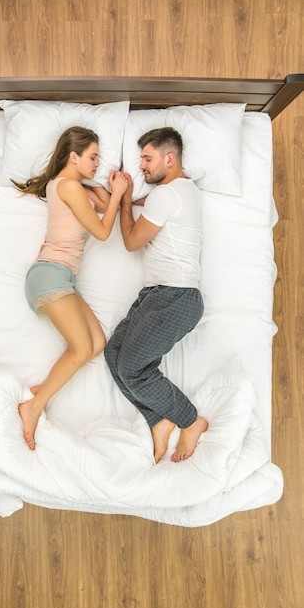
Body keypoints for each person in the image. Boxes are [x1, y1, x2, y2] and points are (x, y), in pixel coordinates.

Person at [13, 126, 128, 451]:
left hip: (60, 279)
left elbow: (105, 207)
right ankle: (33, 407)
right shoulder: (70, 188)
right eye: (93, 157)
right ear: (73, 156)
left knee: (96, 343)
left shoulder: (66, 185)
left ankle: (43, 389)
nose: (97, 164)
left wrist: (102, 186)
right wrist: (118, 192)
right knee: (81, 348)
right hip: (51, 276)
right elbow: (105, 231)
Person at [104, 127, 208, 464]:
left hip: (174, 295)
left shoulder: (166, 194)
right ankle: (159, 419)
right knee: (114, 354)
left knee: (134, 369)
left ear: (170, 158)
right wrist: (129, 196)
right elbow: (145, 204)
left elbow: (132, 241)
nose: (142, 166)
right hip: (158, 295)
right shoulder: (182, 189)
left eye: (147, 159)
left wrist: (122, 201)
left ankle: (191, 421)